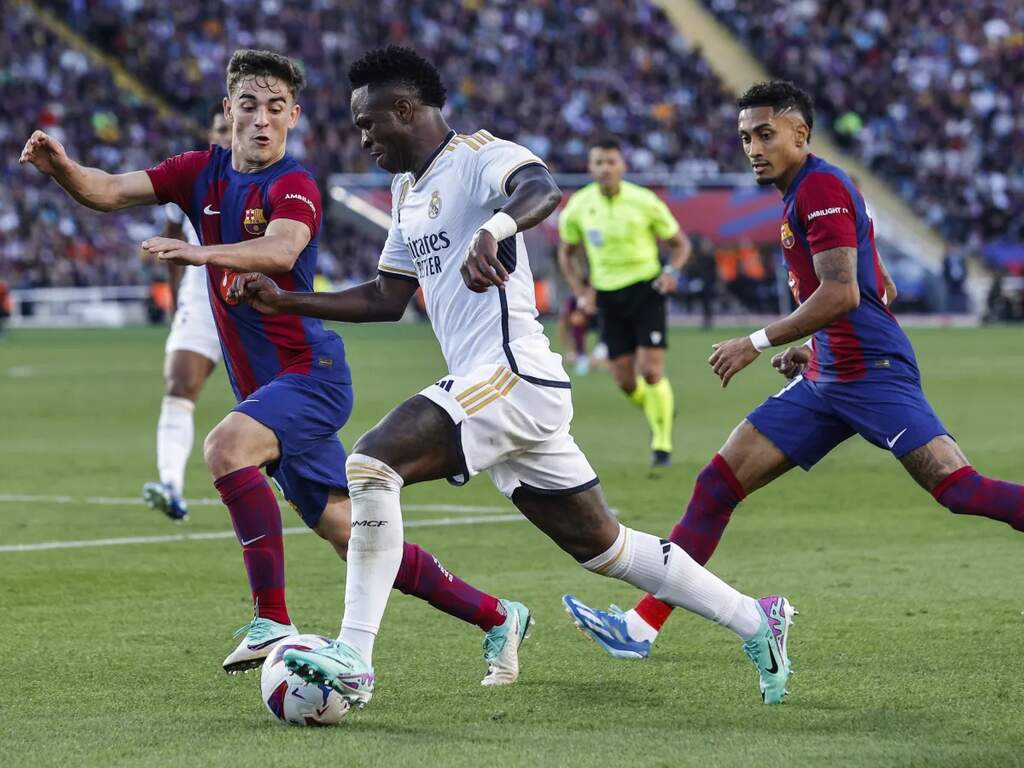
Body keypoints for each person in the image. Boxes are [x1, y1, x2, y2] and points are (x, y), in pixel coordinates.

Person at [233, 45, 795, 709]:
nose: (363, 139)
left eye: (368, 124)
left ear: (405, 110)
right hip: (495, 388)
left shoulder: (477, 155)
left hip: (511, 373)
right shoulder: (407, 191)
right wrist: (287, 299)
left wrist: (492, 229)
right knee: (604, 547)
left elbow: (542, 189)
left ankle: (355, 656)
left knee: (371, 464)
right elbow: (386, 298)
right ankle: (758, 621)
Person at [19, 48, 530, 686]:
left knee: (225, 448)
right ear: (229, 111)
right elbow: (109, 189)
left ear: (292, 117)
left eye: (276, 109)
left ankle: (272, 620)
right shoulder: (196, 172)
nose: (262, 120)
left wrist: (202, 252)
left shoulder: (293, 184)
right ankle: (497, 615)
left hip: (311, 374)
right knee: (356, 538)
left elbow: (281, 247)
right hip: (267, 387)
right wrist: (61, 167)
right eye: (250, 106)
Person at [562, 80, 1024, 660]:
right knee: (717, 485)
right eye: (745, 137)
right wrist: (815, 346)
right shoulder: (799, 193)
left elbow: (845, 291)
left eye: (765, 134)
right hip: (829, 374)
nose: (753, 147)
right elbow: (880, 284)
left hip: (874, 373)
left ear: (800, 135)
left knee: (958, 489)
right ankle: (642, 627)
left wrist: (757, 340)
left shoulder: (822, 186)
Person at [557, 138, 692, 467]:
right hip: (607, 296)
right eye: (599, 162)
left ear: (622, 166)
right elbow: (567, 252)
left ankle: (662, 444)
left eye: (611, 162)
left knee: (650, 370)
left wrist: (672, 271)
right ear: (590, 167)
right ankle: (658, 406)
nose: (605, 168)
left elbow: (680, 243)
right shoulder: (578, 206)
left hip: (647, 290)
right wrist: (581, 291)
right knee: (625, 380)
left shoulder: (644, 201)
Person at [141, 104, 231, 521]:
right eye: (220, 129)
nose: (228, 135)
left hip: (255, 299)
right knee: (180, 385)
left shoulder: (279, 180)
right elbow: (174, 236)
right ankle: (171, 485)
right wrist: (177, 298)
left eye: (234, 127)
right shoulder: (193, 180)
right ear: (212, 135)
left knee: (267, 397)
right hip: (201, 294)